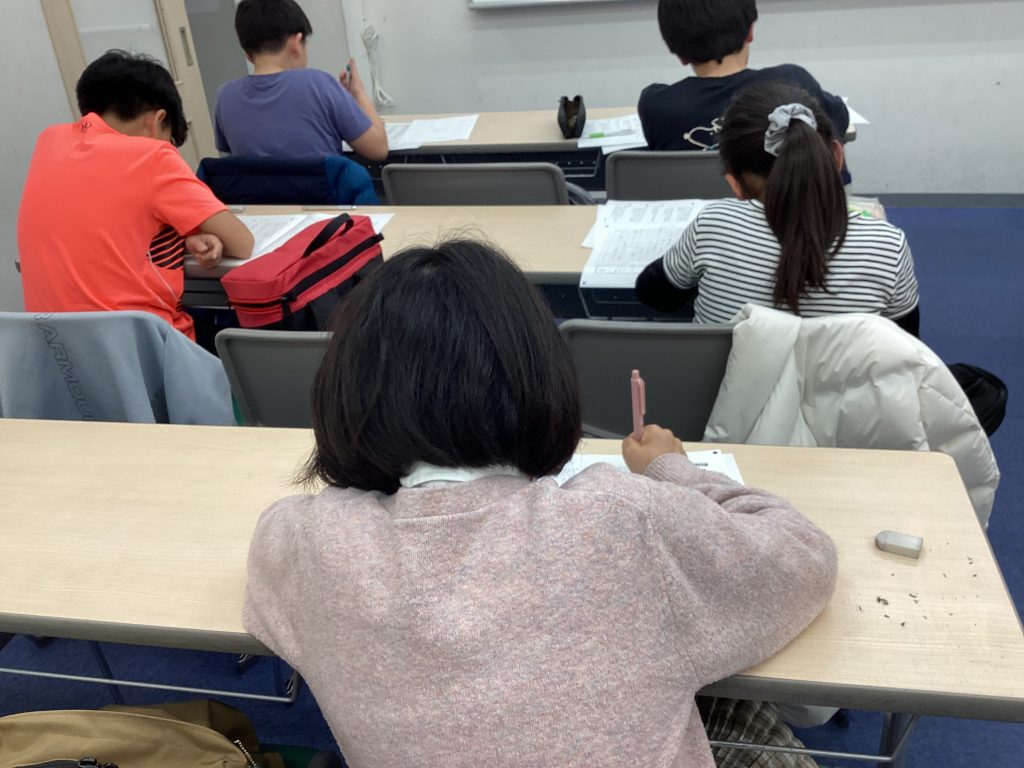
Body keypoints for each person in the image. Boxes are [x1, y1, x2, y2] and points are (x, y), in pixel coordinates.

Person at [243, 239, 838, 767]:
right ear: (539, 377)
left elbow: (285, 533)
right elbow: (804, 555)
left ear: (346, 393)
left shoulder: (305, 542)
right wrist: (673, 470)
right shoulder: (618, 518)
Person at [636, 82, 920, 336]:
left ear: (735, 183)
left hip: (728, 381)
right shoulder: (888, 246)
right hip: (846, 383)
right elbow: (906, 345)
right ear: (836, 157)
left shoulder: (713, 225)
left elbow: (656, 296)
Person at [18, 50, 253, 342]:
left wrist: (187, 233)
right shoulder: (152, 156)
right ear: (157, 120)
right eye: (170, 138)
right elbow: (242, 243)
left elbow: (109, 224)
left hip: (56, 354)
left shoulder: (49, 144)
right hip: (146, 352)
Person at [639, 0, 848, 157]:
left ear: (679, 54)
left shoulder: (655, 105)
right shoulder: (793, 81)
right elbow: (839, 121)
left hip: (698, 204)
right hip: (784, 203)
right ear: (750, 32)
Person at [215, 0, 388, 161]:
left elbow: (229, 151)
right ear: (296, 43)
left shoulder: (225, 97)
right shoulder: (319, 85)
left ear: (247, 54)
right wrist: (358, 93)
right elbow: (378, 149)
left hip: (255, 186)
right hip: (321, 185)